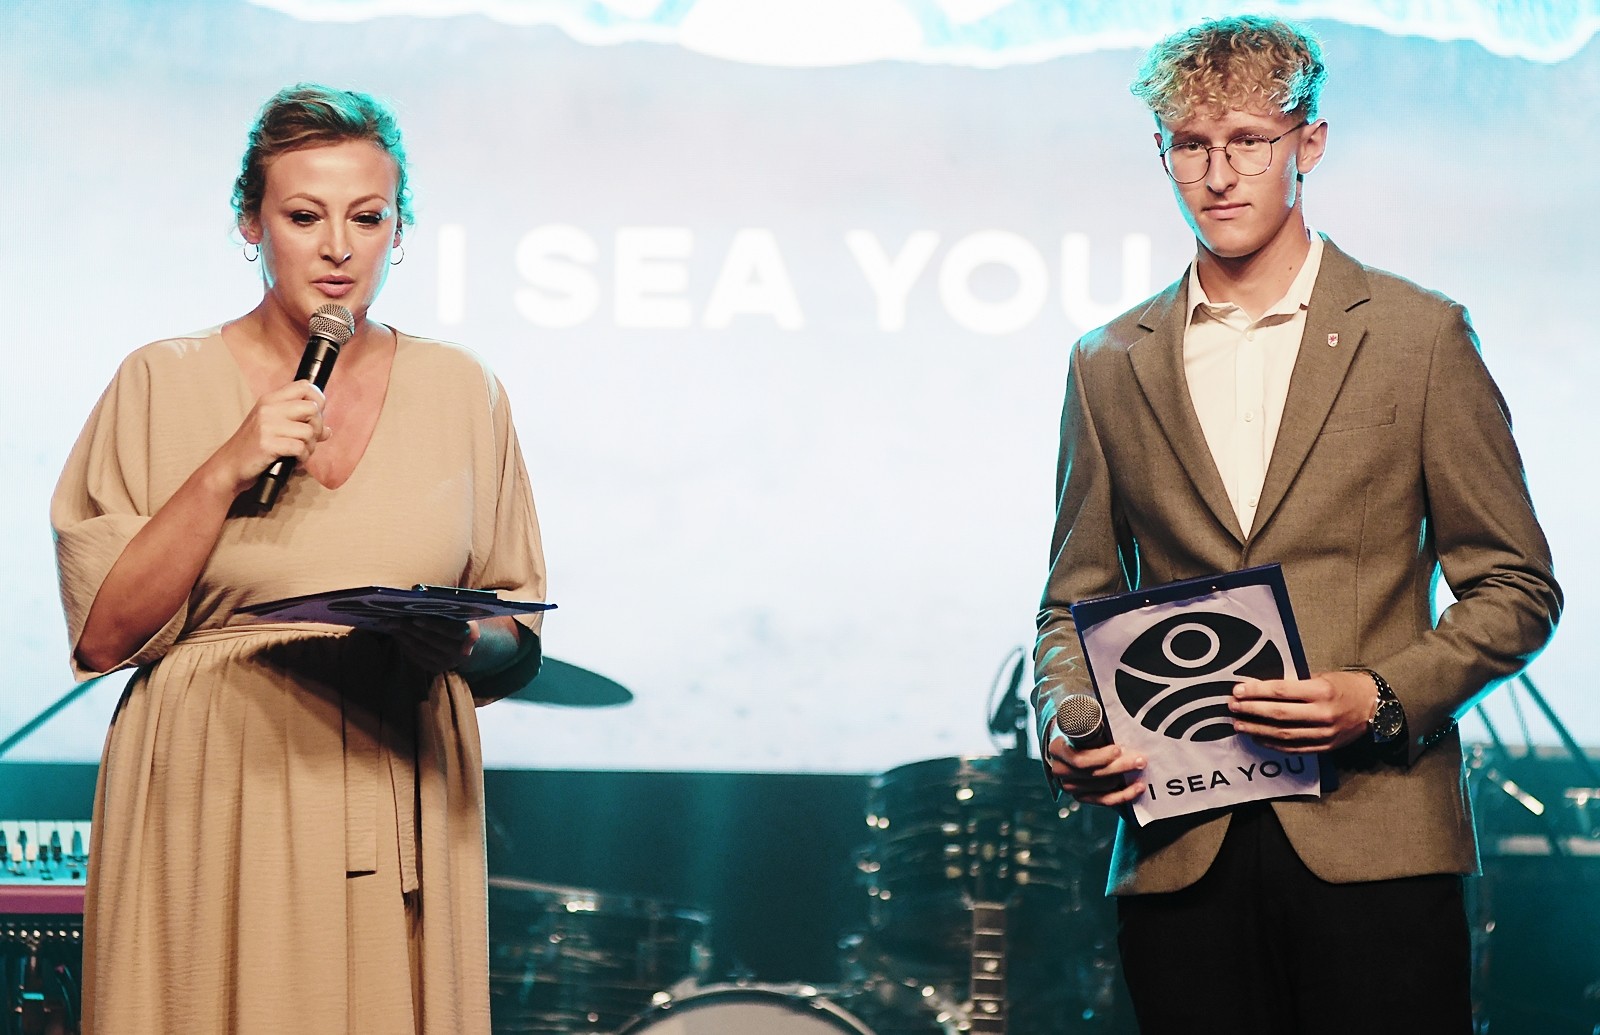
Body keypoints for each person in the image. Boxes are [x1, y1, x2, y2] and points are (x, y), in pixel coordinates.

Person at [1031, 16, 1560, 1034]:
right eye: (1191, 145)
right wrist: (1068, 718)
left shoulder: (1417, 335)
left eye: (1248, 141)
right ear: (1161, 153)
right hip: (1180, 853)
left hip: (1376, 843)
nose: (1218, 175)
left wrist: (1380, 696)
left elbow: (1515, 587)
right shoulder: (1108, 360)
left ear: (1308, 143)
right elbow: (1074, 599)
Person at [51, 84, 546, 1034]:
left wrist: (461, 641)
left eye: (368, 217)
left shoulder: (463, 388)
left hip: (398, 774)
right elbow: (105, 633)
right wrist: (226, 465)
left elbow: (514, 625)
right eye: (305, 216)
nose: (338, 248)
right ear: (252, 223)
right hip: (217, 781)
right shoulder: (159, 378)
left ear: (398, 230)